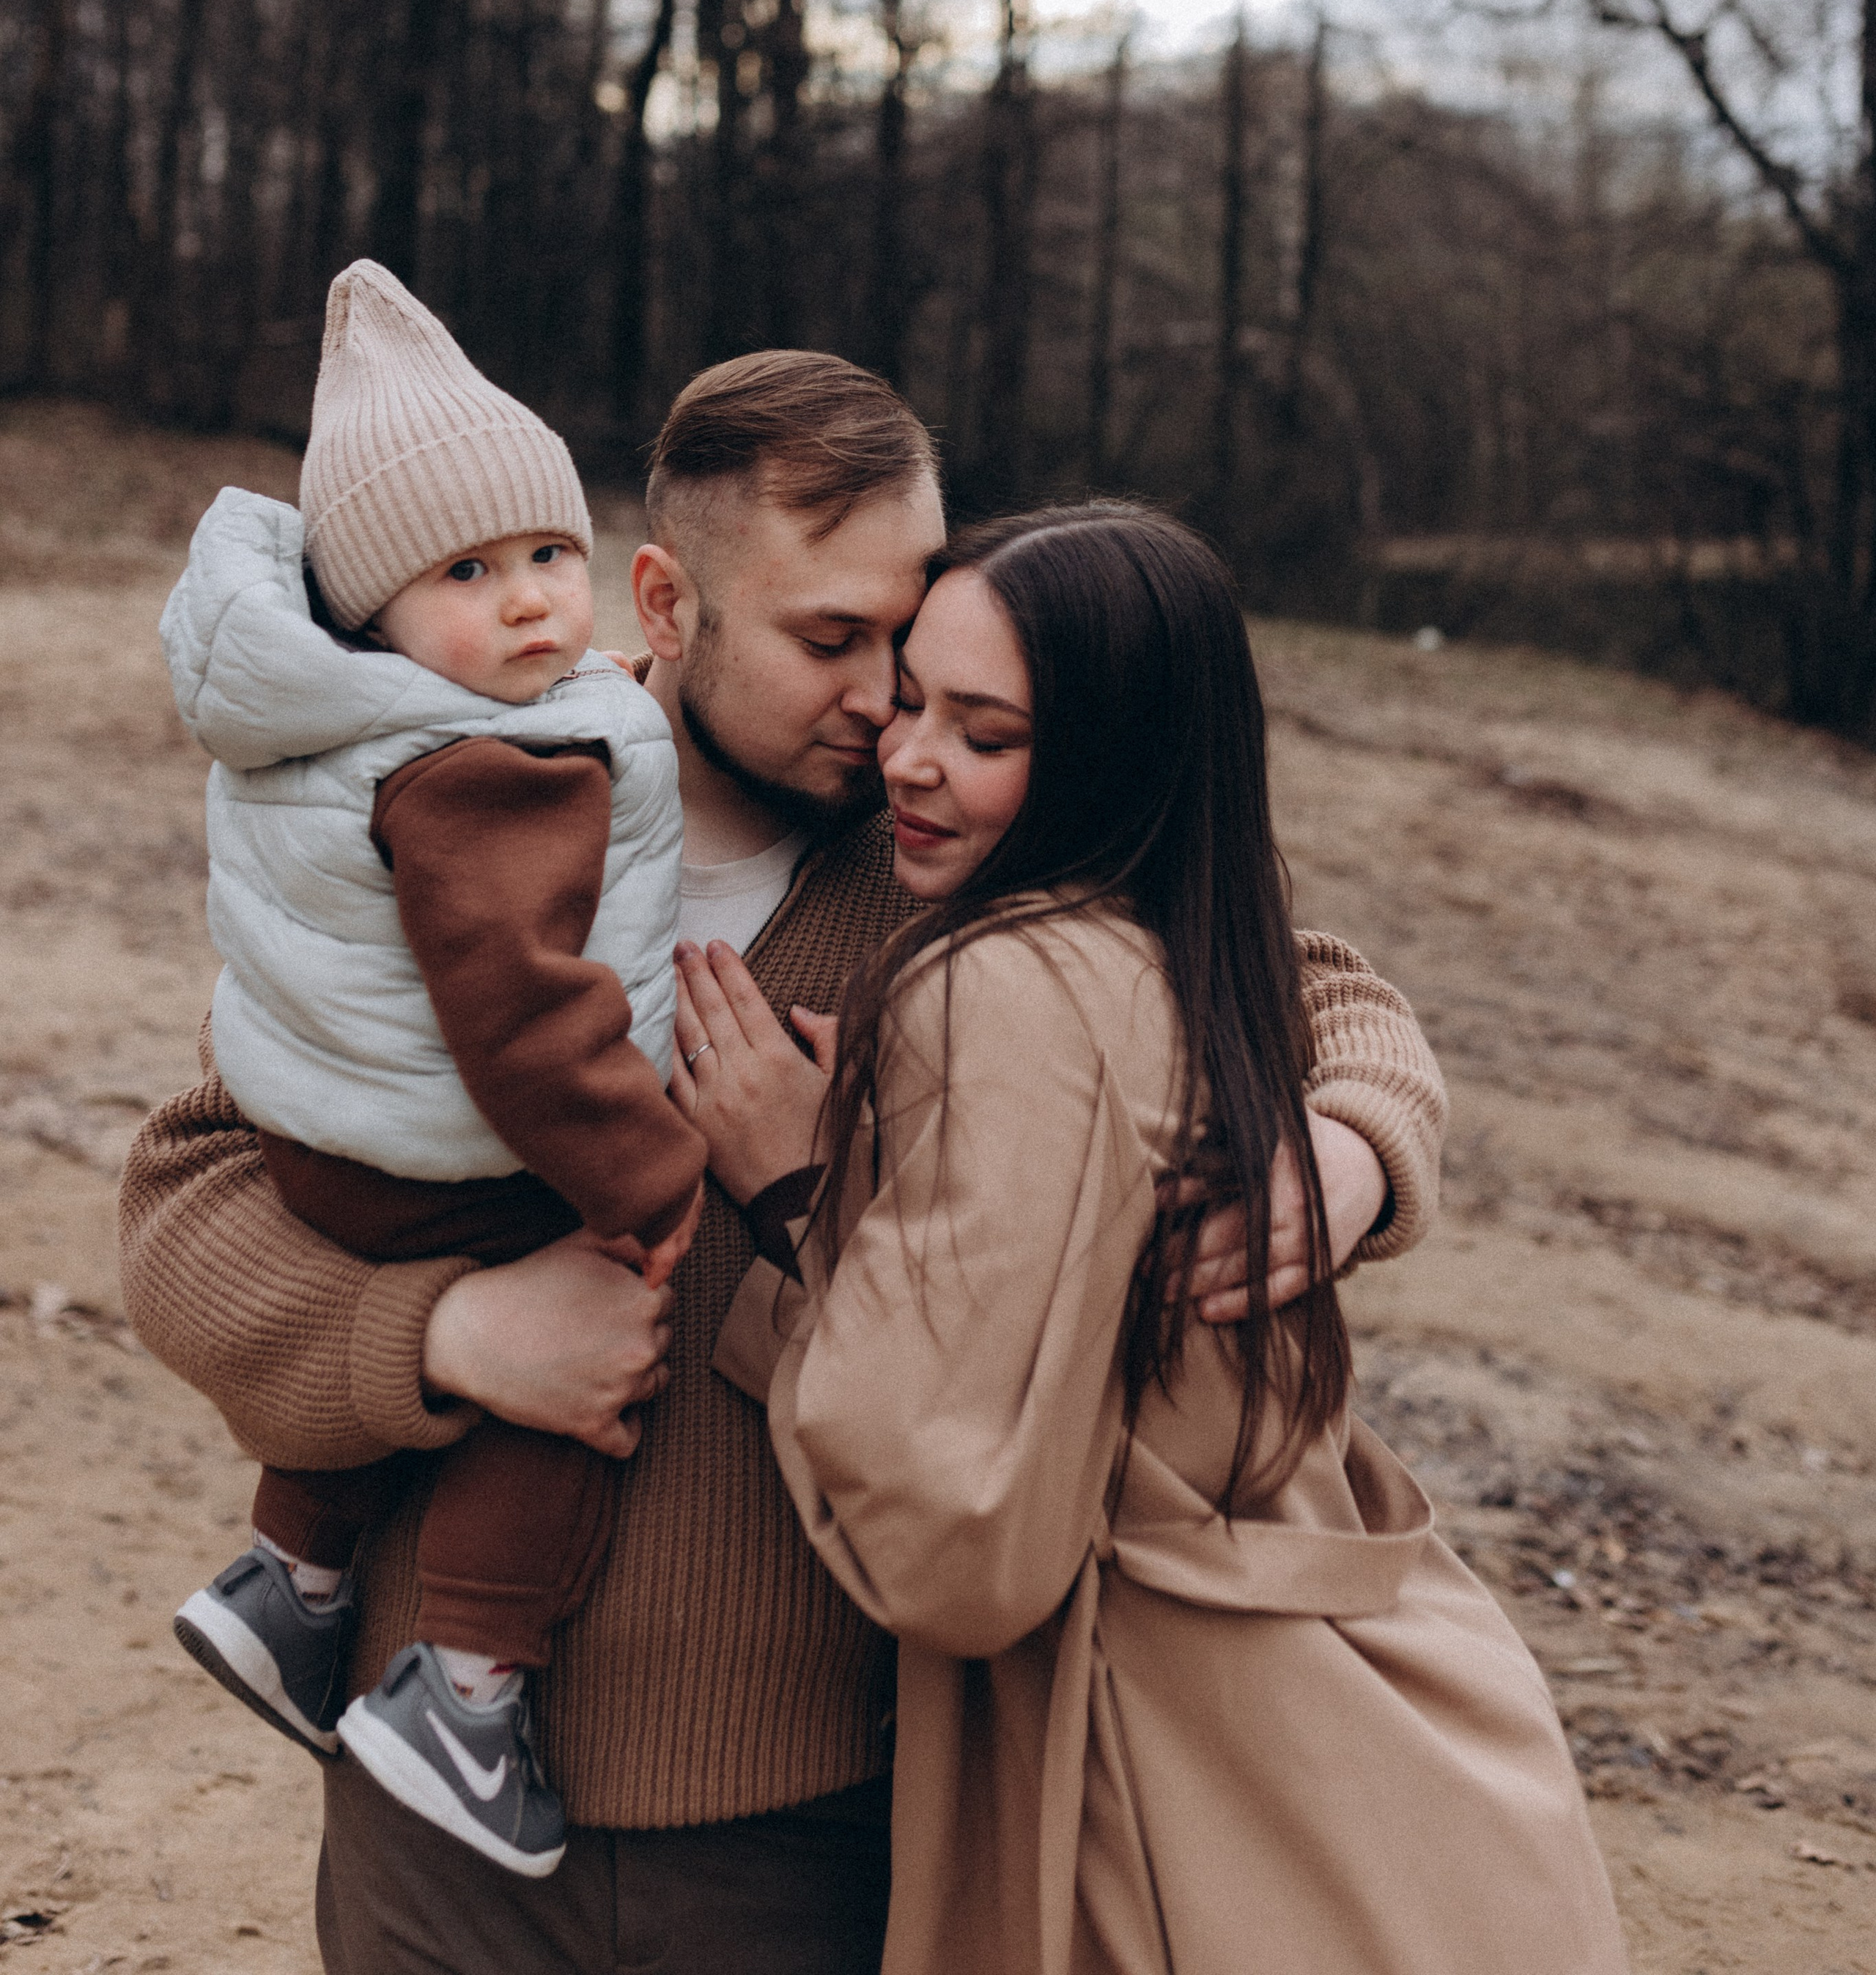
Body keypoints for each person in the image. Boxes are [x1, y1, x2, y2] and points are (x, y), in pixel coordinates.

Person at [119, 351, 1450, 1975]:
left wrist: (1350, 1146)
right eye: (831, 640)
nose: (892, 702)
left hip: (817, 1821)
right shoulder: (452, 804)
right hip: (425, 1811)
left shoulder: (958, 866)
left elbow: (1309, 986)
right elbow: (186, 1200)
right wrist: (449, 1342)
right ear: (669, 604)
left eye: (912, 631)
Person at [674, 505, 1628, 1975]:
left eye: (980, 731)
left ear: (1109, 757)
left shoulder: (993, 991)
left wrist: (795, 1198)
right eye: (910, 699)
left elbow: (955, 1541)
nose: (906, 756)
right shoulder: (1193, 926)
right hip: (1382, 1769)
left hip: (1170, 1792)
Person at [160, 261, 704, 1878]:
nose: (534, 601)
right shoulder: (487, 770)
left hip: (330, 1136)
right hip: (441, 1152)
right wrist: (646, 1174)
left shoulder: (337, 724)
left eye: (549, 551)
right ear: (371, 611)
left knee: (474, 1296)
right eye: (470, 570)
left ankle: (292, 1582)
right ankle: (465, 1696)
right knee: (574, 1365)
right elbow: (526, 1018)